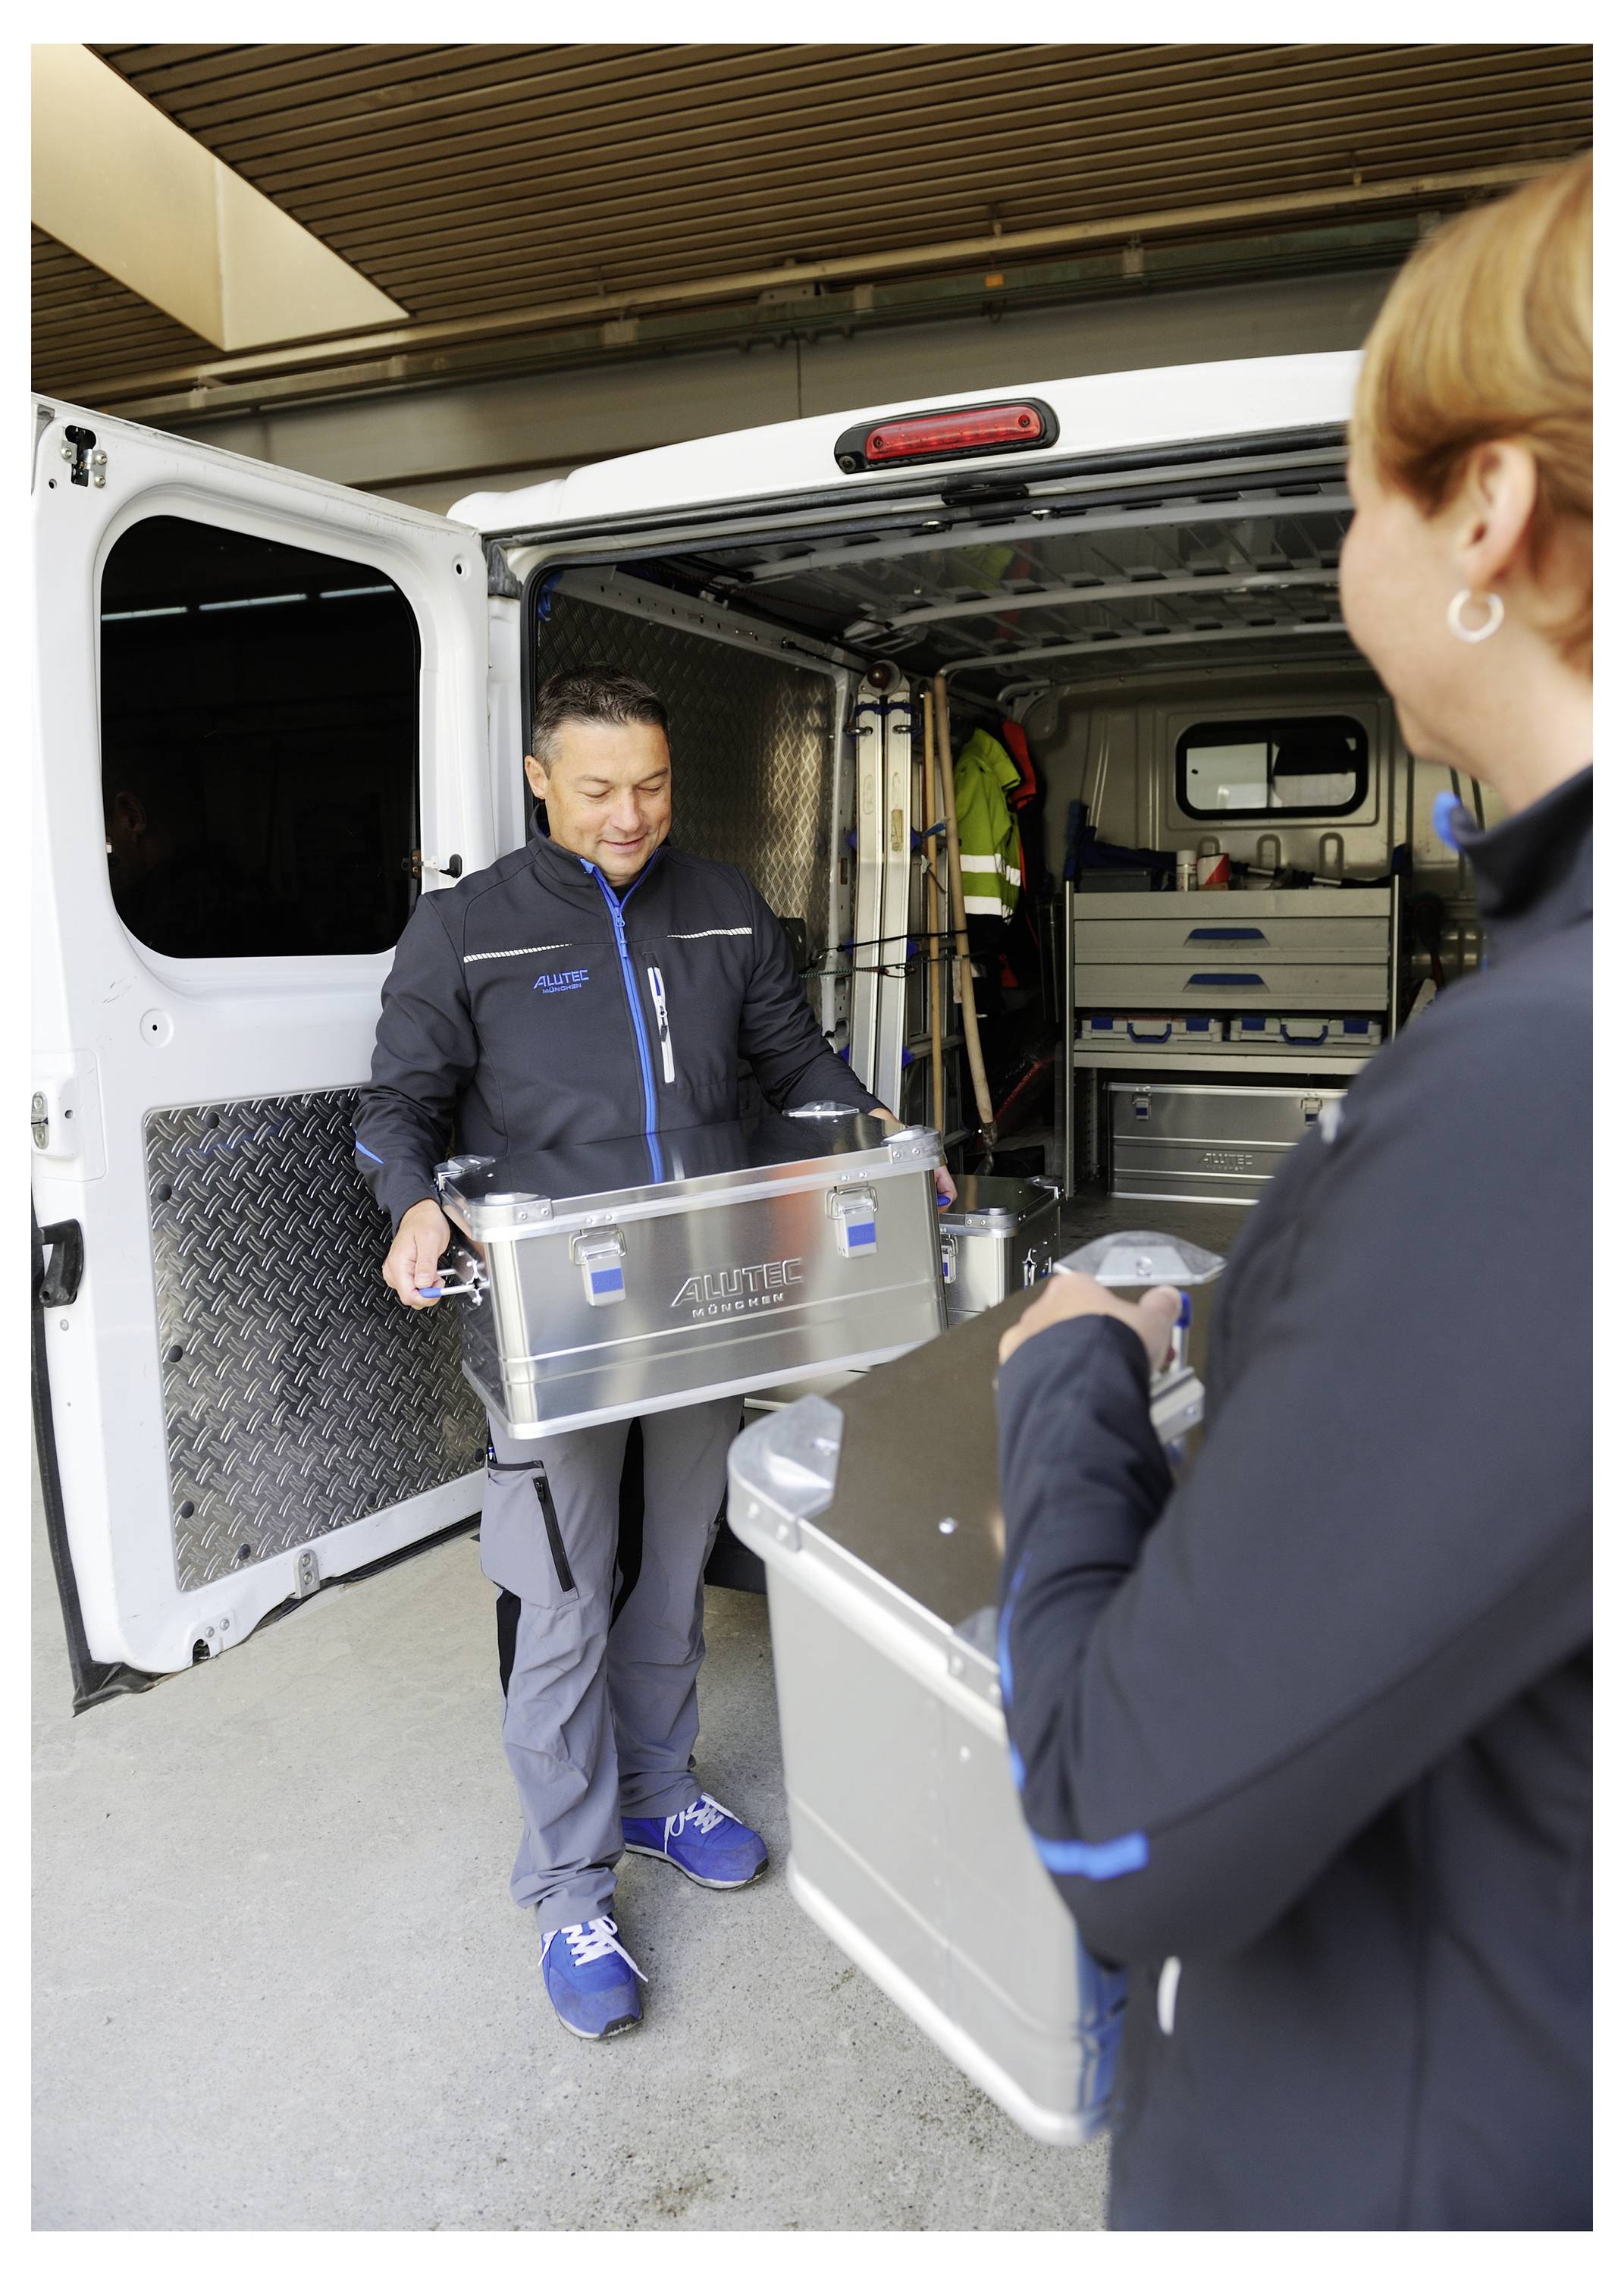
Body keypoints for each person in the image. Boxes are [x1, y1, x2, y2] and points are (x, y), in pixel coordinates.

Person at [994, 155, 1591, 2229]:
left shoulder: (1538, 1076)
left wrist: (1069, 1382)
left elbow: (1116, 1824)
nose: (1347, 555)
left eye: (1353, 504)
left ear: (1487, 514)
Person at [355, 664, 952, 2041]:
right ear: (539, 781)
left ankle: (658, 1790)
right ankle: (569, 1886)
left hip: (701, 1296)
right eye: (599, 790)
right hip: (552, 1315)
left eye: (653, 785)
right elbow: (398, 1103)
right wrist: (411, 1202)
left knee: (676, 1566)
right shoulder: (466, 929)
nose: (630, 816)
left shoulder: (725, 903)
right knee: (561, 1598)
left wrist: (876, 1135)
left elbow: (793, 1063)